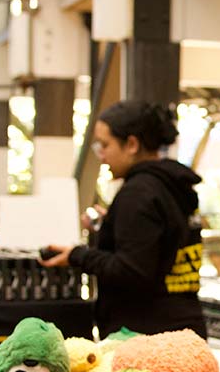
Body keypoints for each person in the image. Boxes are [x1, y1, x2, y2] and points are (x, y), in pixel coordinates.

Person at [42, 100, 207, 337]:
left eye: (105, 145)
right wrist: (109, 226)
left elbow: (132, 271)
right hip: (184, 328)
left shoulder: (138, 193)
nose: (102, 156)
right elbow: (160, 245)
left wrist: (77, 255)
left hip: (147, 337)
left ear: (131, 144)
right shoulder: (172, 186)